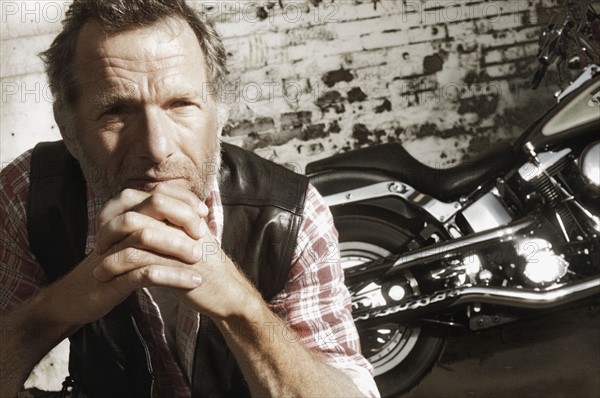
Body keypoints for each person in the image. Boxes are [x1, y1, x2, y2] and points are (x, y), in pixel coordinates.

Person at [0, 0, 379, 397]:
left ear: (220, 112)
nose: (157, 147)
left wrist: (242, 309)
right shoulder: (27, 196)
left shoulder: (291, 219)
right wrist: (59, 306)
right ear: (69, 129)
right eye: (116, 110)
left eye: (180, 104)